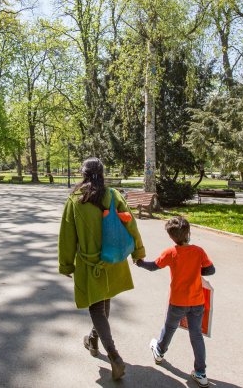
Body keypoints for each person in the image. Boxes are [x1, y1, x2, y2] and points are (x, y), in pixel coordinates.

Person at [58, 157, 146, 380]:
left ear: (83, 174)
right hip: (113, 261)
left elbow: (67, 237)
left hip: (90, 264)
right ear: (102, 173)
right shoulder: (114, 196)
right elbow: (130, 224)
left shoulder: (75, 200)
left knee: (97, 308)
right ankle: (92, 340)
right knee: (104, 301)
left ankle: (114, 355)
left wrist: (66, 263)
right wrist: (138, 252)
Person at [135, 216, 215, 387]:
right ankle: (201, 373)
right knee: (196, 336)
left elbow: (153, 266)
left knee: (170, 327)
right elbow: (210, 270)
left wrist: (139, 262)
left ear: (171, 237)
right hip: (197, 301)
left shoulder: (170, 253)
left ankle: (160, 351)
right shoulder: (199, 251)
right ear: (188, 233)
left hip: (178, 301)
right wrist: (196, 269)